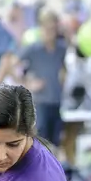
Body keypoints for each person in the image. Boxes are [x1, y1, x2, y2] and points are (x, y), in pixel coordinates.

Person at [20, 8, 68, 147]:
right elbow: (12, 64)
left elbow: (64, 67)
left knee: (56, 139)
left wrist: (63, 78)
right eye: (47, 28)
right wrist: (27, 83)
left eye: (53, 28)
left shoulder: (61, 48)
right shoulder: (33, 49)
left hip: (56, 99)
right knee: (41, 138)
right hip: (39, 101)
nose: (50, 31)